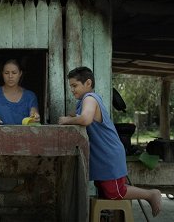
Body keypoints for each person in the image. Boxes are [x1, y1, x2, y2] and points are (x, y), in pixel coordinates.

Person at [58, 66, 162, 217]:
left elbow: (86, 119)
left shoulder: (90, 99)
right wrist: (73, 116)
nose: (72, 90)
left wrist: (67, 120)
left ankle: (151, 194)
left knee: (115, 192)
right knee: (106, 192)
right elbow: (82, 115)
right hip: (102, 155)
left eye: (75, 85)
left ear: (88, 83)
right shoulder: (84, 101)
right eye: (71, 86)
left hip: (108, 154)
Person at [0, 59, 40, 125]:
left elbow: (34, 114)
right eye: (6, 73)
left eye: (14, 73)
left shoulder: (30, 96)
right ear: (2, 74)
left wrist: (35, 117)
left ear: (20, 74)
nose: (10, 76)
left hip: (24, 135)